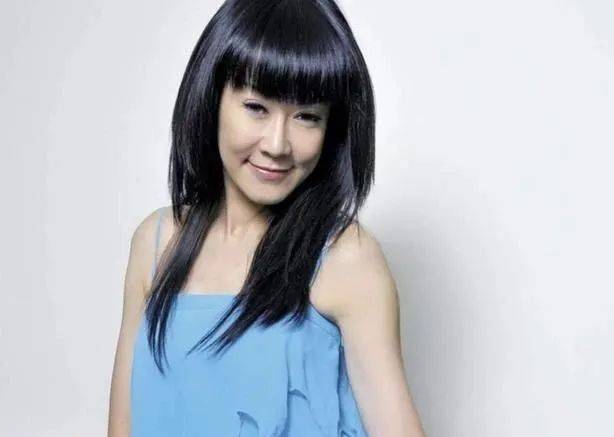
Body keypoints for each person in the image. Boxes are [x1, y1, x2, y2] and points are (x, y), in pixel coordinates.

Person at [108, 0, 426, 436]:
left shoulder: (346, 258)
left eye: (307, 117)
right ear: (212, 98)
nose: (277, 144)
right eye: (256, 107)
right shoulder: (156, 242)